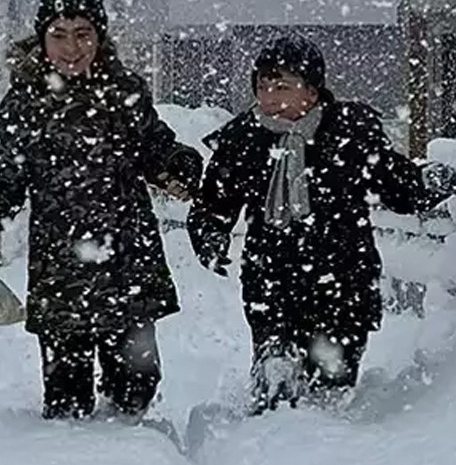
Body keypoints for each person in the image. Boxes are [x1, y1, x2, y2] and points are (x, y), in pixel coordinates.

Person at [0, 0, 203, 422]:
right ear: (42, 38)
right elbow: (4, 178)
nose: (72, 48)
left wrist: (177, 163)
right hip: (60, 267)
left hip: (127, 258)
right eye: (60, 35)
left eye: (83, 34)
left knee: (138, 385)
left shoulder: (125, 93)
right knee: (67, 397)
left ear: (100, 37)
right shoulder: (25, 104)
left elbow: (152, 148)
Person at [186, 34, 456, 414]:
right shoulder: (244, 138)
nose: (269, 97)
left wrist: (434, 184)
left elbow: (396, 185)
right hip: (271, 278)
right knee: (275, 374)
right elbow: (215, 201)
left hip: (342, 278)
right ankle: (270, 420)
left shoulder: (349, 132)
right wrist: (210, 235)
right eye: (262, 86)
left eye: (282, 86)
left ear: (311, 92)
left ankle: (324, 447)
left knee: (331, 384)